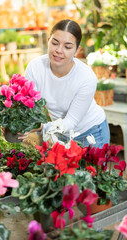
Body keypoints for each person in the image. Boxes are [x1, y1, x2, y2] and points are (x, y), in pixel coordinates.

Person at [20, 19, 110, 148]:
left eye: (67, 47)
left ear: (77, 50)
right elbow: (28, 105)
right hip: (60, 132)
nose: (59, 50)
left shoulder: (86, 77)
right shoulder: (35, 68)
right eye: (55, 43)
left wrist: (39, 127)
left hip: (91, 132)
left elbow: (71, 121)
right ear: (49, 40)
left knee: (92, 169)